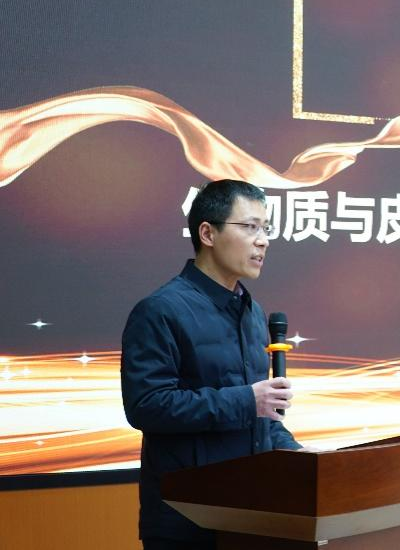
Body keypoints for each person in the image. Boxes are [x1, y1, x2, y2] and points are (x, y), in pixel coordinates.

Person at [121, 179, 301, 550]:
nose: (263, 241)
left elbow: (261, 414)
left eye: (266, 229)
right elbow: (147, 406)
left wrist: (298, 456)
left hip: (252, 513)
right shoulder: (161, 310)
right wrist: (246, 400)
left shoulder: (252, 312)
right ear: (207, 233)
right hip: (187, 519)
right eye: (250, 227)